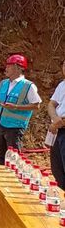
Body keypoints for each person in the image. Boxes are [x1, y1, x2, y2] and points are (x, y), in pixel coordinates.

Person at [0, 54, 41, 164]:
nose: (6, 68)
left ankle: (13, 180)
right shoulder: (3, 83)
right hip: (0, 125)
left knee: (13, 160)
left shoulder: (28, 86)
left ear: (18, 67)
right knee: (1, 157)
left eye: (9, 66)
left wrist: (16, 107)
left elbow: (36, 105)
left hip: (15, 128)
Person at [48, 59, 65, 190]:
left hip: (61, 127)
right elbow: (51, 104)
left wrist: (58, 122)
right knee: (57, 169)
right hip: (57, 131)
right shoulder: (62, 85)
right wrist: (54, 119)